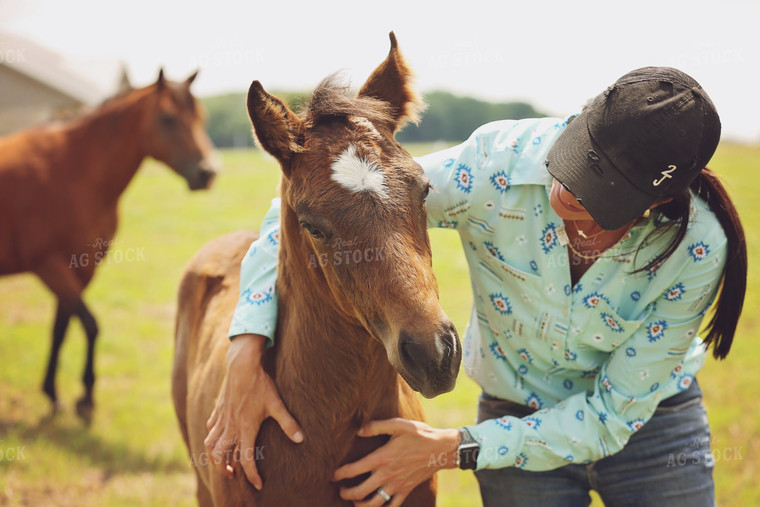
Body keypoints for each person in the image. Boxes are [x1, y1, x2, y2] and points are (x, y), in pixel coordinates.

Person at [204, 67, 746, 506]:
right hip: (515, 412)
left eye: (595, 188)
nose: (563, 187)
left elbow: (609, 416)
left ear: (655, 204)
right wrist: (245, 349)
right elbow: (307, 210)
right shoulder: (500, 163)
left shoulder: (697, 246)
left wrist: (450, 448)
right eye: (576, 156)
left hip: (653, 431)